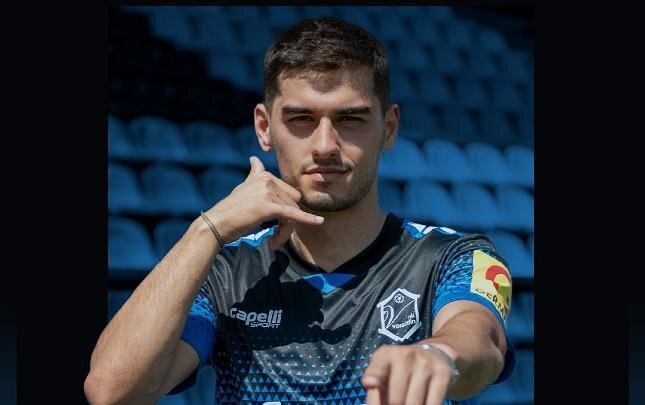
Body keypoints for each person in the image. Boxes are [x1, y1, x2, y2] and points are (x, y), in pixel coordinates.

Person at [86, 16, 515, 405]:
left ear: (388, 128)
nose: (325, 146)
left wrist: (438, 355)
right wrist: (207, 230)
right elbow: (112, 392)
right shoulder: (224, 272)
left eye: (350, 119)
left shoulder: (451, 258)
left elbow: (481, 341)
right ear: (264, 127)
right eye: (301, 119)